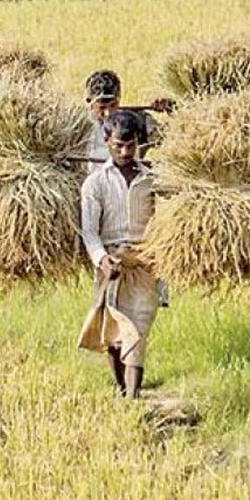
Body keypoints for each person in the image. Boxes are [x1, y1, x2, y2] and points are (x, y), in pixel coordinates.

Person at [77, 110, 167, 399]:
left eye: (131, 145)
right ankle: (121, 389)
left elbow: (164, 221)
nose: (125, 152)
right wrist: (103, 260)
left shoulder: (153, 180)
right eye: (118, 146)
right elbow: (90, 232)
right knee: (114, 335)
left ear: (140, 142)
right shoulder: (95, 184)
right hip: (110, 263)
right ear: (107, 142)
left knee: (137, 330)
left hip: (144, 264)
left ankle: (132, 396)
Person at [84, 70, 174, 166]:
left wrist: (172, 111)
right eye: (102, 107)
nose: (108, 113)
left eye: (113, 105)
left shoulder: (136, 120)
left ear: (119, 99)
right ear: (90, 103)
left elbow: (170, 138)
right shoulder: (79, 128)